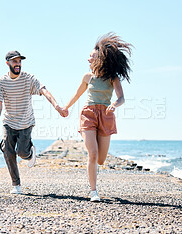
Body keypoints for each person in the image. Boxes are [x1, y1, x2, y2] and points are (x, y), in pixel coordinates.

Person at [62, 33, 132, 202]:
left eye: (91, 56)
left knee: (100, 159)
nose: (88, 59)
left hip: (106, 115)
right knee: (92, 154)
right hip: (88, 114)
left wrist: (114, 105)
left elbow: (121, 97)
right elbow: (77, 94)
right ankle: (93, 192)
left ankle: (95, 178)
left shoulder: (112, 77)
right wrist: (66, 108)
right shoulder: (87, 77)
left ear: (100, 58)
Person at [0, 50, 66, 194]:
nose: (18, 64)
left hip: (26, 122)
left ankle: (29, 153)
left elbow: (44, 90)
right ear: (7, 63)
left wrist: (57, 106)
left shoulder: (28, 78)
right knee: (7, 149)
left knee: (21, 152)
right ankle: (16, 185)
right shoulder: (1, 81)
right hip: (9, 121)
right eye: (15, 61)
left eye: (19, 61)